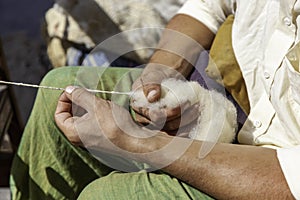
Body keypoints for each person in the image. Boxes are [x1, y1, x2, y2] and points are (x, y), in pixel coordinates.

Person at [10, 0, 300, 199]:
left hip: (278, 175)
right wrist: (160, 71)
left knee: (107, 196)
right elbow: (207, 8)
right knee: (62, 89)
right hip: (244, 115)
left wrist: (143, 143)